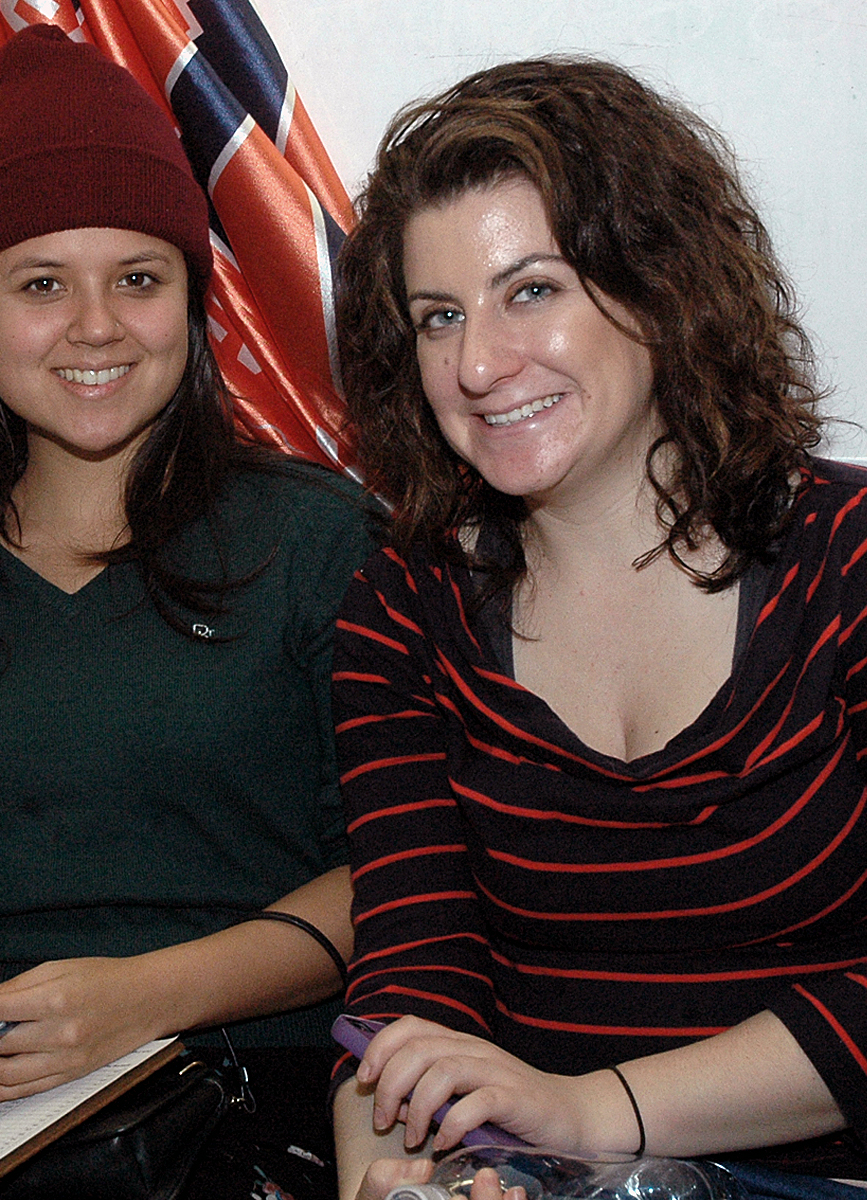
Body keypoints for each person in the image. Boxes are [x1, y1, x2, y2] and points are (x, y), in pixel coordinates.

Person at [0, 23, 378, 1193]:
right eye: (41, 284)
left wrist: (137, 1000)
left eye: (137, 277)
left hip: (253, 1102)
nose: (97, 326)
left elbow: (398, 876)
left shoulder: (314, 537)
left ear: (192, 299)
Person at [327, 57, 867, 1200]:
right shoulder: (398, 615)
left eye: (532, 291)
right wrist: (390, 1178)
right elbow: (411, 983)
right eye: (438, 318)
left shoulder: (851, 559)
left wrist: (594, 1112)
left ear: (659, 284)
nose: (476, 365)